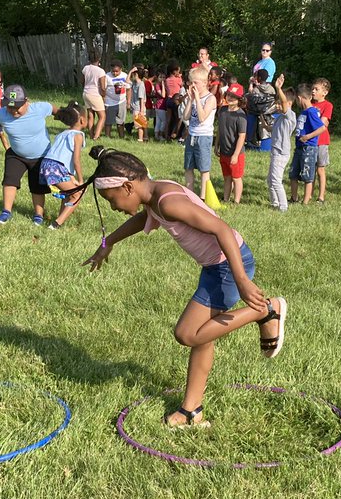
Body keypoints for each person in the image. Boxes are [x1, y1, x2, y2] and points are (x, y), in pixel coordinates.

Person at [82, 146, 288, 427]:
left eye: (111, 199)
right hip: (214, 268)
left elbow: (222, 229)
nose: (113, 207)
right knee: (202, 337)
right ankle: (192, 411)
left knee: (188, 334)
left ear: (128, 187)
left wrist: (241, 280)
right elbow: (144, 219)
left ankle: (267, 311)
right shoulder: (155, 196)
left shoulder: (167, 202)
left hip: (228, 267)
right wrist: (108, 243)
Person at [0, 84, 69, 227]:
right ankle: (6, 211)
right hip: (16, 154)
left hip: (40, 157)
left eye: (17, 107)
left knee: (37, 186)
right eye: (10, 107)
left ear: (27, 101)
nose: (13, 111)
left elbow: (54, 110)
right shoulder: (1, 114)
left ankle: (38, 215)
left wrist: (66, 116)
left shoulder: (39, 108)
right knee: (10, 180)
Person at [41, 104, 88, 230]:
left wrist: (71, 177)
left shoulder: (62, 134)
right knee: (78, 193)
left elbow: (62, 158)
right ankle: (56, 224)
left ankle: (59, 220)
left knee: (69, 193)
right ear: (82, 120)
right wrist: (81, 180)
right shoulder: (78, 135)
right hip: (56, 167)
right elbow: (76, 160)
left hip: (46, 165)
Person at [179, 66, 218, 196]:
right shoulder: (193, 98)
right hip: (192, 135)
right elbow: (185, 117)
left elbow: (202, 118)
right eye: (191, 82)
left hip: (204, 137)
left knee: (203, 169)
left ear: (205, 83)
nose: (192, 85)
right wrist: (190, 100)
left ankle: (202, 197)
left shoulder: (210, 98)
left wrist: (197, 99)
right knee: (188, 167)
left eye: (196, 82)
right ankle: (190, 195)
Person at [288, 84, 325, 205]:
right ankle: (294, 198)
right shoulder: (304, 112)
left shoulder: (311, 112)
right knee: (293, 173)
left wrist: (308, 136)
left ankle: (305, 201)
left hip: (308, 148)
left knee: (307, 175)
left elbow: (322, 128)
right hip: (299, 147)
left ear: (299, 98)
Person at [266, 74, 295, 211]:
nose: (277, 105)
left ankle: (283, 207)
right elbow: (273, 129)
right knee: (270, 180)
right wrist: (264, 124)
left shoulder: (290, 116)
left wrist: (278, 88)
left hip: (281, 153)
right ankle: (275, 203)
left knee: (276, 180)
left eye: (279, 103)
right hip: (275, 151)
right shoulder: (280, 118)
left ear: (289, 104)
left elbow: (284, 104)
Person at [217, 90, 248, 204]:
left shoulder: (241, 115)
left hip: (236, 153)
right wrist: (216, 145)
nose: (230, 98)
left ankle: (236, 201)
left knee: (236, 178)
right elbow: (220, 130)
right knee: (227, 177)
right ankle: (225, 199)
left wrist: (235, 154)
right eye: (229, 95)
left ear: (239, 100)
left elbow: (241, 136)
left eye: (233, 97)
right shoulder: (223, 110)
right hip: (224, 151)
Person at [311, 78, 334, 204]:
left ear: (325, 92)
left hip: (321, 141)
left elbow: (323, 122)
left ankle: (321, 196)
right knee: (310, 169)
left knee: (320, 169)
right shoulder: (310, 103)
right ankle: (309, 194)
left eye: (316, 89)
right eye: (312, 89)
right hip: (310, 141)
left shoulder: (327, 105)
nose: (313, 91)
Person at [245, 69, 277, 152]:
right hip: (268, 113)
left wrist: (252, 84)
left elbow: (250, 98)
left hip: (256, 113)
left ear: (258, 78)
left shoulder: (256, 90)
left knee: (249, 113)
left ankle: (250, 141)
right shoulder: (271, 89)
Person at [81, 50, 107, 140]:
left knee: (91, 115)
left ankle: (91, 135)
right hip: (95, 94)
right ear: (99, 58)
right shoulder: (101, 71)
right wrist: (104, 96)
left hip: (86, 93)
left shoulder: (85, 68)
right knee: (102, 116)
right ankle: (96, 136)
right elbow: (103, 87)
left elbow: (82, 82)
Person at [103, 61, 129, 139]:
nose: (114, 73)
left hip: (122, 101)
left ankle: (121, 136)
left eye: (117, 71)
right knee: (108, 121)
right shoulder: (107, 76)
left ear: (121, 69)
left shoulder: (125, 76)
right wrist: (103, 100)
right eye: (113, 71)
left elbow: (128, 89)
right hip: (109, 101)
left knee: (120, 121)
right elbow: (103, 89)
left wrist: (128, 102)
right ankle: (107, 136)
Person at [164, 61, 185, 141]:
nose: (179, 73)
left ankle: (166, 135)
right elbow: (182, 85)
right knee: (178, 118)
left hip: (169, 99)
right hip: (176, 99)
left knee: (168, 120)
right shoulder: (178, 79)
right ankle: (174, 133)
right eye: (178, 71)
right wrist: (180, 77)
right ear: (174, 71)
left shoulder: (167, 80)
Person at [128, 64, 147, 142]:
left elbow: (141, 98)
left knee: (139, 125)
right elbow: (127, 80)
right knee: (141, 124)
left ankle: (140, 139)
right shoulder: (134, 83)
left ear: (137, 75)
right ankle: (144, 137)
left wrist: (141, 110)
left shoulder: (140, 85)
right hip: (137, 107)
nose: (132, 76)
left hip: (138, 108)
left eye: (133, 74)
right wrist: (131, 71)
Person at [152, 68, 170, 142]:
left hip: (163, 106)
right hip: (160, 106)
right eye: (160, 77)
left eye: (164, 77)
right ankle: (160, 134)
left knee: (159, 121)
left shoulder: (165, 85)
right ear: (157, 78)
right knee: (164, 121)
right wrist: (162, 85)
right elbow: (163, 95)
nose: (162, 79)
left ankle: (156, 135)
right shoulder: (157, 85)